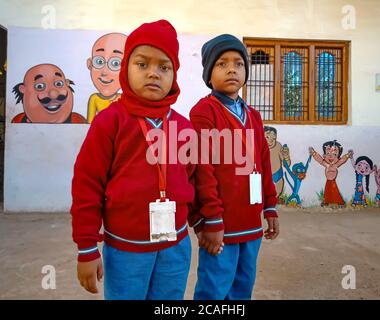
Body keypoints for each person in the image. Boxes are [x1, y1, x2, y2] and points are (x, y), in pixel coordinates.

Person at [71, 20, 195, 300]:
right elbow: (86, 185)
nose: (153, 73)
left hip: (175, 246)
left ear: (174, 75)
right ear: (126, 67)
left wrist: (208, 221)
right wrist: (87, 246)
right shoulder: (109, 122)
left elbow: (193, 179)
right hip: (126, 249)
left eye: (164, 67)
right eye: (142, 64)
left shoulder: (184, 127)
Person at [188, 34, 279, 300]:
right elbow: (201, 170)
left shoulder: (254, 116)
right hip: (220, 225)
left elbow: (263, 162)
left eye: (239, 64)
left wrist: (270, 205)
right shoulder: (203, 112)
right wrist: (210, 220)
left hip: (251, 222)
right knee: (214, 288)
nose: (231, 69)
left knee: (243, 286)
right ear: (208, 74)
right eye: (221, 64)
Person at [12, 63, 86, 123]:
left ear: (67, 83)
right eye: (40, 86)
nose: (53, 94)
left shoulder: (78, 121)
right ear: (23, 89)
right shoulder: (18, 121)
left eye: (59, 84)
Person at [86, 33, 127, 123]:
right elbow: (89, 124)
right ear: (90, 64)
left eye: (116, 63)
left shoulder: (123, 99)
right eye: (99, 61)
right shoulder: (94, 99)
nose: (104, 72)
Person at [309, 140, 353, 207]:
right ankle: (326, 202)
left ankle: (339, 202)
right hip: (328, 180)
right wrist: (313, 153)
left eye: (334, 154)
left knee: (334, 191)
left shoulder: (336, 164)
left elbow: (342, 160)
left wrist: (348, 155)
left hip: (332, 181)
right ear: (324, 155)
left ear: (338, 157)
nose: (331, 156)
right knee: (327, 191)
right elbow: (319, 159)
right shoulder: (326, 164)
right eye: (328, 154)